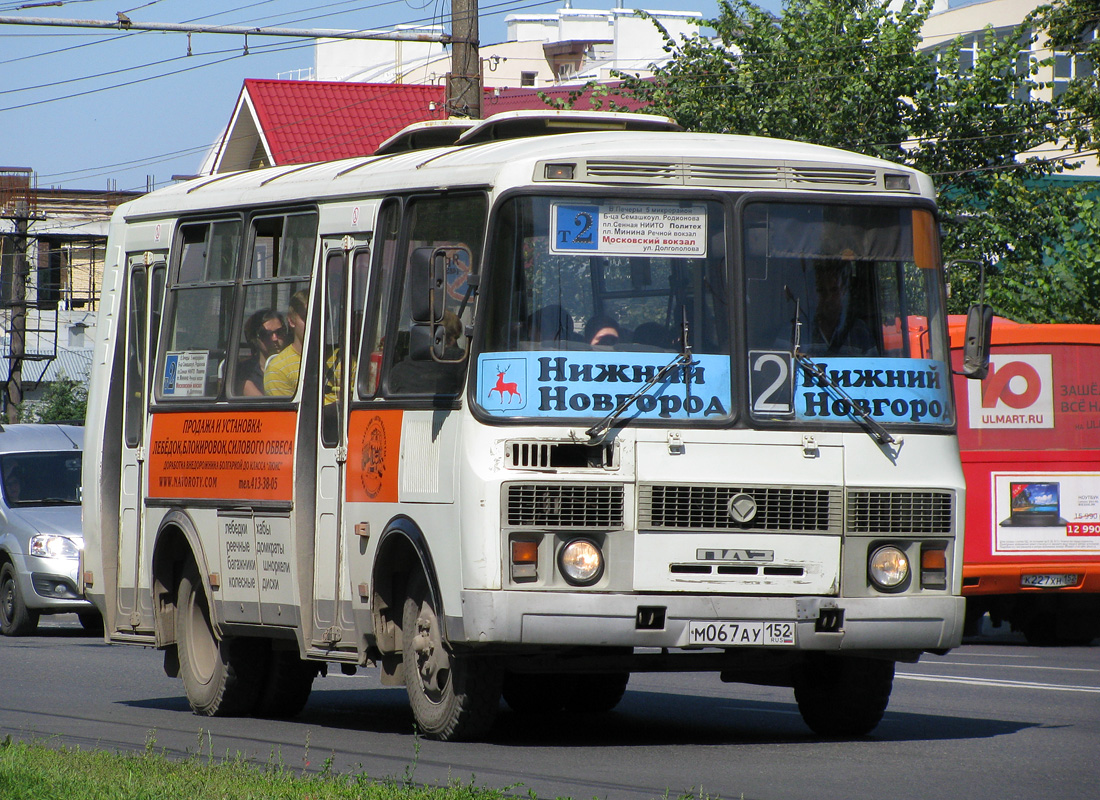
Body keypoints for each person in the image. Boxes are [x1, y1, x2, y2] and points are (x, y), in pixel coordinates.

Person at [806, 261, 875, 356]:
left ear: (844, 292)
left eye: (834, 290)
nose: (828, 297)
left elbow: (874, 368)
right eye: (821, 290)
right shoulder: (793, 333)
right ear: (811, 293)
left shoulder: (860, 333)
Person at [264, 290, 309, 396]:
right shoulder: (278, 370)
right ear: (291, 321)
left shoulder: (344, 361)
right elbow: (290, 412)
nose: (315, 322)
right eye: (305, 317)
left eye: (322, 316)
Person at [238, 309, 287, 396]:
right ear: (255, 338)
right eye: (266, 334)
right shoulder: (245, 372)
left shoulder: (294, 365)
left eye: (279, 332)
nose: (275, 338)